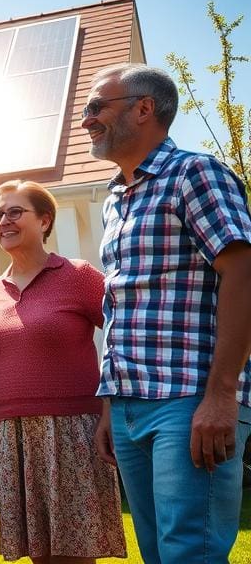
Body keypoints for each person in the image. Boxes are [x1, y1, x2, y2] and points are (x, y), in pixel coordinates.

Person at [83, 63, 251, 564]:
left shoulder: (194, 174)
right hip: (131, 404)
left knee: (188, 553)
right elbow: (124, 303)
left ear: (143, 108)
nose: (87, 120)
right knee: (157, 553)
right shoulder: (117, 199)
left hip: (190, 399)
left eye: (97, 107)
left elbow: (243, 272)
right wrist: (113, 405)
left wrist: (222, 396)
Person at [0, 179, 125, 563]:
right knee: (38, 556)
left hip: (72, 430)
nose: (3, 220)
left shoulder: (78, 275)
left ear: (44, 220)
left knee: (75, 554)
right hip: (11, 434)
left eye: (15, 211)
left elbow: (120, 336)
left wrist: (110, 407)